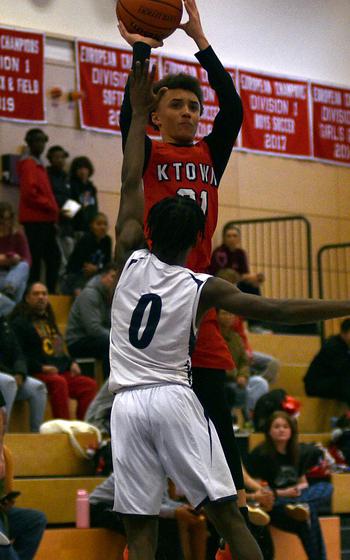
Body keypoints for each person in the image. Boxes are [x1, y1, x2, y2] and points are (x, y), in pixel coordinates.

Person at [110, 60, 350, 560]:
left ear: (147, 226)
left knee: (139, 531)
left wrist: (136, 105)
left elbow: (131, 181)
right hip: (173, 398)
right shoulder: (202, 286)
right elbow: (279, 308)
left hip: (126, 406)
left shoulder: (127, 258)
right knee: (226, 511)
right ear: (202, 237)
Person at [118, 0, 249, 516]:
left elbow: (233, 109)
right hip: (156, 290)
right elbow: (129, 114)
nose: (189, 113)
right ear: (156, 114)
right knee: (147, 419)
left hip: (200, 296)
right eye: (176, 105)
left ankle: (226, 529)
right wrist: (142, 52)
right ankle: (142, 524)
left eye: (194, 107)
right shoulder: (146, 151)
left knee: (219, 422)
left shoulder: (209, 154)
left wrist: (202, 42)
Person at [247, 411, 333, 560]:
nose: (281, 429)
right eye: (277, 426)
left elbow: (304, 483)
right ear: (269, 431)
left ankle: (300, 504)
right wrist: (284, 493)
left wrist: (296, 491)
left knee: (327, 488)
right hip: (274, 506)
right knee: (309, 514)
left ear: (291, 430)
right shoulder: (260, 454)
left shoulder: (296, 452)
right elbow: (259, 491)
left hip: (296, 505)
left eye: (285, 426)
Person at [10, 282, 97, 420]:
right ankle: (63, 427)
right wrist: (41, 367)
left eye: (44, 294)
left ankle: (84, 427)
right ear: (27, 298)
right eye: (36, 294)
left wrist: (71, 362)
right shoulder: (19, 323)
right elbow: (17, 355)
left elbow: (59, 349)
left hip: (58, 371)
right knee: (58, 382)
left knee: (88, 385)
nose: (41, 297)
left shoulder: (49, 319)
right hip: (36, 372)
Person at [17, 128, 61, 293]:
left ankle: (47, 292)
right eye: (37, 141)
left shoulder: (37, 162)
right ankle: (35, 293)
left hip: (44, 219)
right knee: (39, 259)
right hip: (36, 219)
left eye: (43, 141)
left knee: (51, 258)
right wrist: (51, 206)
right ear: (29, 143)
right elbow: (30, 193)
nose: (41, 144)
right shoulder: (29, 163)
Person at [0, 407, 47, 558]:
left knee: (35, 520)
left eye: (4, 422)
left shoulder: (5, 452)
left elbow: (8, 492)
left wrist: (7, 499)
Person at [65, 263, 118, 379]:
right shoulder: (90, 294)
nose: (115, 281)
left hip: (92, 339)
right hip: (77, 341)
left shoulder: (107, 295)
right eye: (112, 277)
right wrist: (116, 338)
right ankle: (109, 387)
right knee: (110, 344)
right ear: (102, 277)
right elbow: (93, 329)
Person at [217, 308, 269, 423]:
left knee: (260, 383)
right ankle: (234, 419)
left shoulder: (236, 338)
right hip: (222, 379)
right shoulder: (213, 336)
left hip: (238, 379)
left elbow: (244, 361)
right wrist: (236, 375)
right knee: (233, 389)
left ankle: (253, 419)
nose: (228, 317)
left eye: (231, 314)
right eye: (224, 313)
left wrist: (243, 375)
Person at [0, 316, 47, 432]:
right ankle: (3, 436)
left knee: (37, 387)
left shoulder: (4, 323)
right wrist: (12, 374)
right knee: (8, 382)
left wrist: (20, 372)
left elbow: (18, 352)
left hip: (10, 374)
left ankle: (36, 436)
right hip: (5, 375)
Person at [61, 212, 112, 296]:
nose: (102, 227)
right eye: (98, 224)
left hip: (98, 273)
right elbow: (76, 264)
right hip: (77, 274)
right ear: (91, 226)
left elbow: (108, 263)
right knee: (81, 292)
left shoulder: (107, 241)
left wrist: (97, 268)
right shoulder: (85, 240)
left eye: (105, 224)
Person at [304, 317, 350, 405]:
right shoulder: (333, 346)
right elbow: (343, 369)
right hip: (318, 385)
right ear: (343, 333)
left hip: (334, 382)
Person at [46, 145, 75, 267]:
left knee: (69, 261)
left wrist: (67, 214)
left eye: (62, 157)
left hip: (67, 224)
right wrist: (57, 214)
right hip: (51, 223)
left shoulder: (66, 177)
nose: (60, 160)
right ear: (50, 159)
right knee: (57, 260)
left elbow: (73, 199)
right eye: (56, 157)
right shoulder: (46, 174)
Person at [0, 202, 31, 311]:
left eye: (7, 219)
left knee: (24, 266)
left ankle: (9, 290)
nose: (5, 223)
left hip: (13, 273)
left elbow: (27, 259)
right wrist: (9, 257)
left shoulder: (17, 235)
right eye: (2, 219)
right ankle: (14, 311)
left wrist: (12, 258)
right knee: (21, 285)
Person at [69, 156, 98, 234]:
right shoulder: (71, 186)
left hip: (89, 229)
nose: (82, 171)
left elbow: (93, 210)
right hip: (75, 229)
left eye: (85, 168)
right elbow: (68, 212)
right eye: (79, 168)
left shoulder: (90, 188)